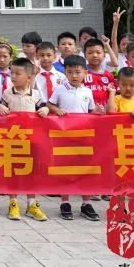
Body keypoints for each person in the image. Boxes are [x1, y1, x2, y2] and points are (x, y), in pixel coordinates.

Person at [0, 57, 50, 222]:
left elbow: (44, 107)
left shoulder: (36, 94)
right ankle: (13, 203)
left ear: (28, 77)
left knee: (31, 172)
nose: (13, 76)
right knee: (13, 172)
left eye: (17, 74)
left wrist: (46, 110)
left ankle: (32, 204)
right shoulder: (8, 93)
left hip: (32, 140)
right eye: (12, 73)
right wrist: (0, 107)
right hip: (13, 140)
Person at [48, 55, 99, 222]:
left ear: (85, 73)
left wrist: (99, 112)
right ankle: (65, 202)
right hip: (64, 136)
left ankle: (86, 203)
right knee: (66, 169)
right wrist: (56, 110)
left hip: (83, 136)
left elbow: (91, 111)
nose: (74, 76)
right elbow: (49, 104)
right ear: (65, 73)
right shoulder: (60, 89)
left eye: (78, 72)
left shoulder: (87, 91)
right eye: (70, 72)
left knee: (85, 169)